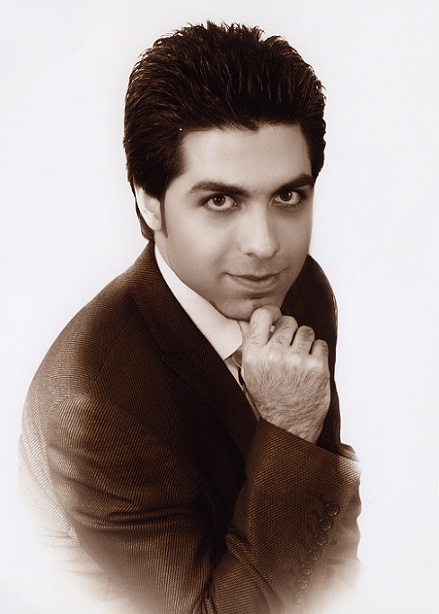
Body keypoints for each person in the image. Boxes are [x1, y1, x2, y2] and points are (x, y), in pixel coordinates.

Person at [19, 22, 361, 614]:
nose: (265, 246)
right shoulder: (93, 407)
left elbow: (330, 530)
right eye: (220, 200)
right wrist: (287, 431)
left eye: (288, 196)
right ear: (149, 202)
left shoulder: (302, 289)